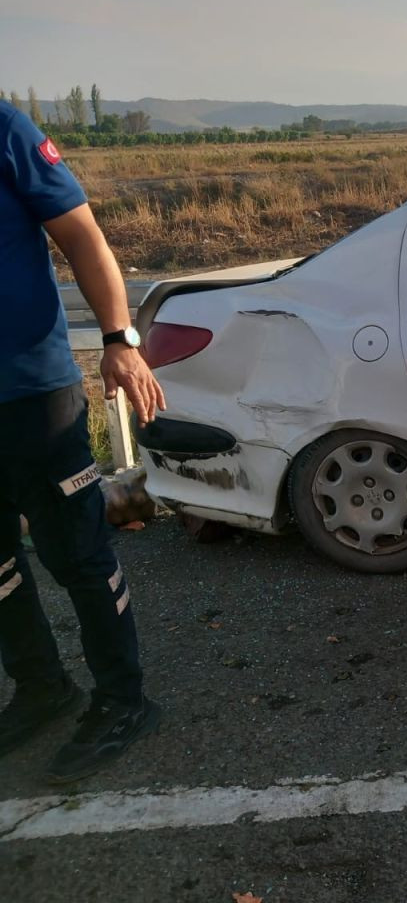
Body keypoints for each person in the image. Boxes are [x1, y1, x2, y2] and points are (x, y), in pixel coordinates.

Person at [0, 99, 166, 784]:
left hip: (31, 393)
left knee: (78, 553)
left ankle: (123, 698)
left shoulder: (6, 128)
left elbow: (82, 236)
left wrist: (119, 340)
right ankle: (43, 689)